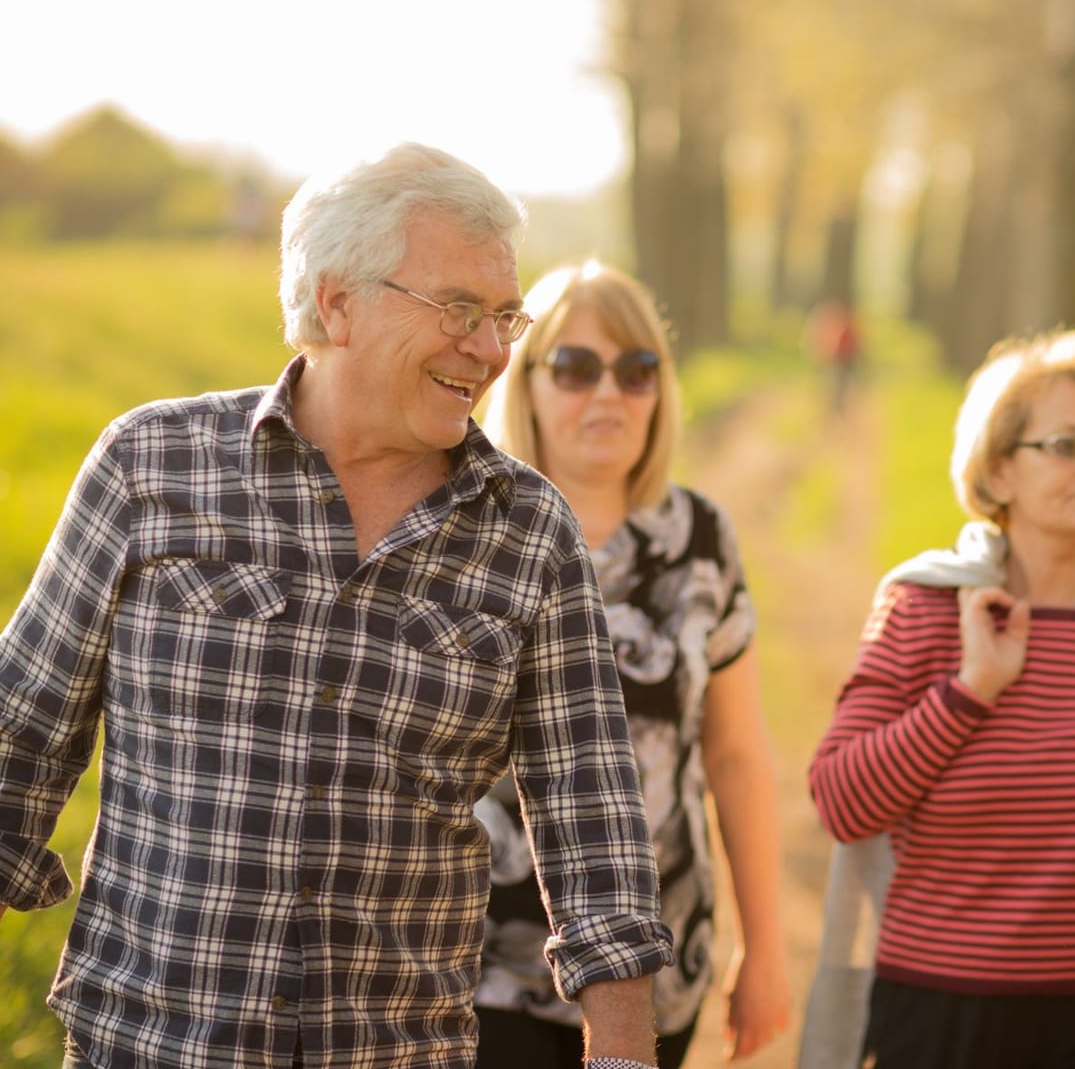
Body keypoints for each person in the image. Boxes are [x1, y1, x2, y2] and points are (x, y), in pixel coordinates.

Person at [0, 144, 672, 1069]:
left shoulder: (529, 534)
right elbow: (19, 741)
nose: (490, 348)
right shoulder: (151, 467)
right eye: (459, 310)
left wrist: (624, 1055)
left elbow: (593, 816)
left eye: (503, 316)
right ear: (335, 301)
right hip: (144, 1047)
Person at [808, 329, 1075, 1069]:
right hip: (938, 1021)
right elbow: (842, 802)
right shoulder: (924, 609)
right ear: (998, 470)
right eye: (1068, 445)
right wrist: (971, 690)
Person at [474, 260, 791, 1068]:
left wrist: (766, 947)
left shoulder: (702, 539)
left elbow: (736, 756)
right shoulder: (467, 530)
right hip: (478, 966)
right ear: (529, 383)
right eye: (576, 368)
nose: (609, 394)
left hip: (658, 960)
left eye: (636, 369)